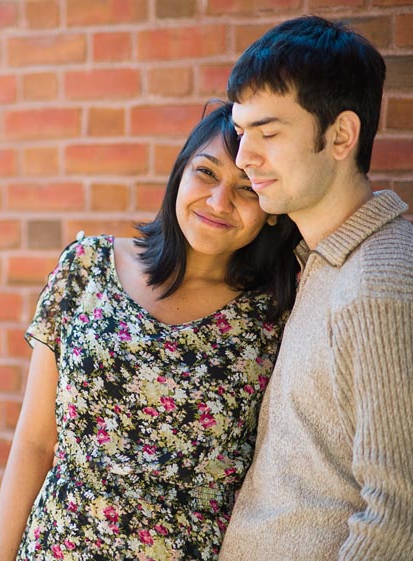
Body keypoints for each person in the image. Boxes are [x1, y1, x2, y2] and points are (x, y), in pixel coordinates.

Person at [0, 102, 301, 561]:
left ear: (272, 208)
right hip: (55, 547)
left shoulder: (275, 314)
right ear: (180, 175)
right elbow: (35, 441)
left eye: (246, 190)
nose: (218, 202)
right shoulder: (87, 266)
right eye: (206, 173)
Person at [219, 16, 413, 561]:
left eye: (269, 133)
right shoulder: (325, 263)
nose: (243, 158)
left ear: (341, 136)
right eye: (241, 132)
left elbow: (397, 518)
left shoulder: (379, 285)